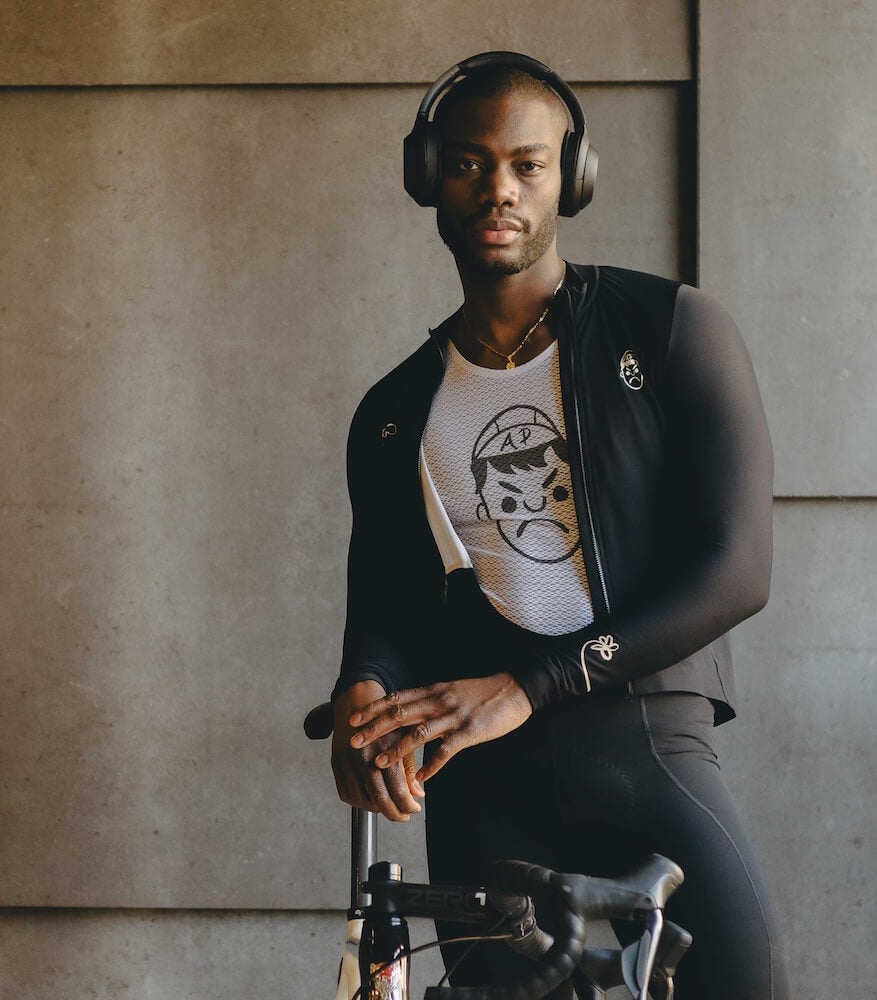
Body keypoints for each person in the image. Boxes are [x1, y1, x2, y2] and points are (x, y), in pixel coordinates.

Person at [327, 52, 790, 998]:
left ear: (569, 178)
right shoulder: (395, 408)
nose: (498, 188)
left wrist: (529, 687)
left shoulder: (669, 329)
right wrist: (360, 693)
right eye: (468, 163)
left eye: (527, 164)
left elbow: (739, 571)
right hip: (481, 784)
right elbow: (383, 600)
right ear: (430, 177)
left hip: (644, 742)